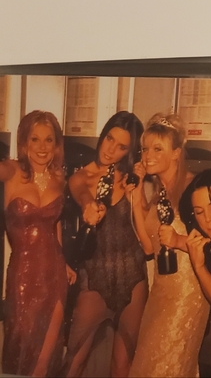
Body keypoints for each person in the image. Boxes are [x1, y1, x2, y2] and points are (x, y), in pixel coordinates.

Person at [63, 111, 147, 378]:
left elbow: (146, 227)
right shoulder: (81, 177)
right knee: (74, 361)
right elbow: (82, 194)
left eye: (121, 146)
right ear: (103, 135)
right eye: (110, 138)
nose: (111, 149)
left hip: (133, 278)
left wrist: (139, 190)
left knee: (123, 365)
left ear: (129, 151)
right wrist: (89, 206)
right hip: (94, 279)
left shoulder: (131, 179)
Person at [128, 113, 210, 378]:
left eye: (157, 149)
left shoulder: (193, 189)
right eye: (144, 149)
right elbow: (147, 246)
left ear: (176, 153)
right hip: (161, 290)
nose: (147, 156)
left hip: (188, 292)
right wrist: (135, 194)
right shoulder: (160, 193)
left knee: (164, 368)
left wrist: (178, 241)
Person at [0, 110, 76, 377]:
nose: (42, 147)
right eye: (35, 139)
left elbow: (54, 224)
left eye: (49, 140)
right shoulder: (12, 171)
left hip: (54, 272)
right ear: (24, 142)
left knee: (45, 358)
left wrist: (64, 262)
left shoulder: (58, 179)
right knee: (20, 345)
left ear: (56, 145)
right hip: (22, 274)